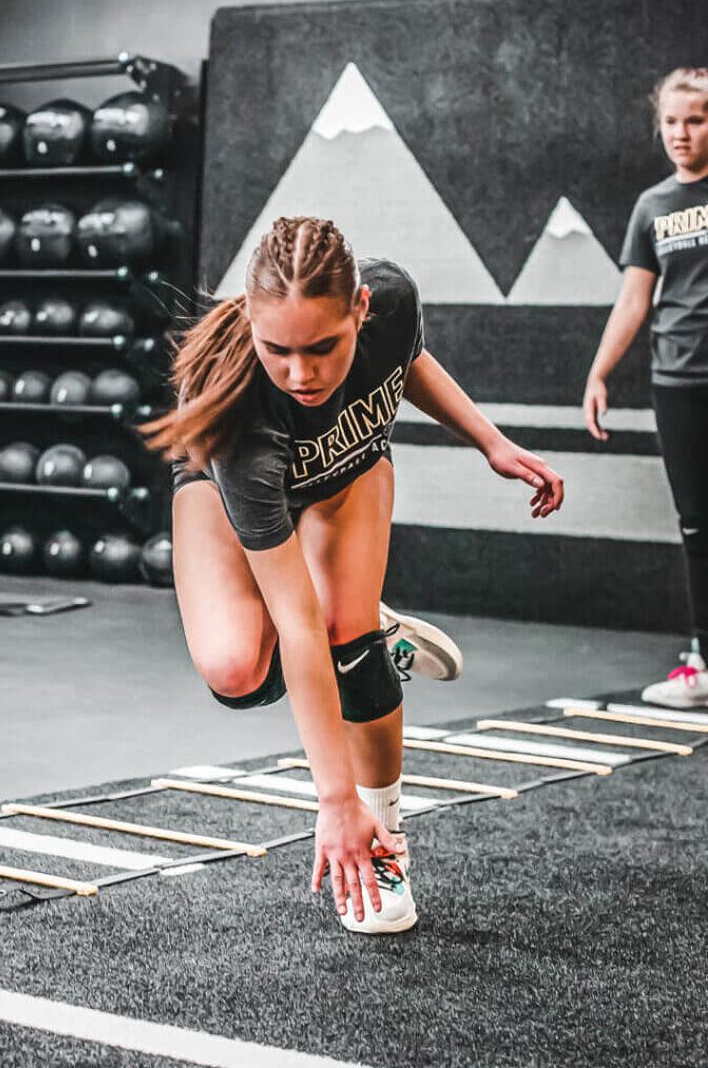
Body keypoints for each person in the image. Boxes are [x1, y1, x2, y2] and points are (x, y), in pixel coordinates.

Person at [144, 216, 564, 933]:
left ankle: (387, 841)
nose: (301, 374)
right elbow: (295, 623)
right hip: (224, 493)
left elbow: (406, 363)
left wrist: (488, 441)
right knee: (236, 669)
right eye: (278, 350)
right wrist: (329, 798)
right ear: (250, 321)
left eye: (323, 348)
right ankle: (375, 632)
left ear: (361, 310)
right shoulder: (245, 421)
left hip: (347, 471)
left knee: (349, 637)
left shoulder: (392, 299)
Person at [584, 68, 708, 709]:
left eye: (696, 120)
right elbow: (635, 299)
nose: (682, 134)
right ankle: (704, 659)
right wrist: (599, 372)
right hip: (679, 382)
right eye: (672, 122)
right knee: (697, 524)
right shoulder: (653, 206)